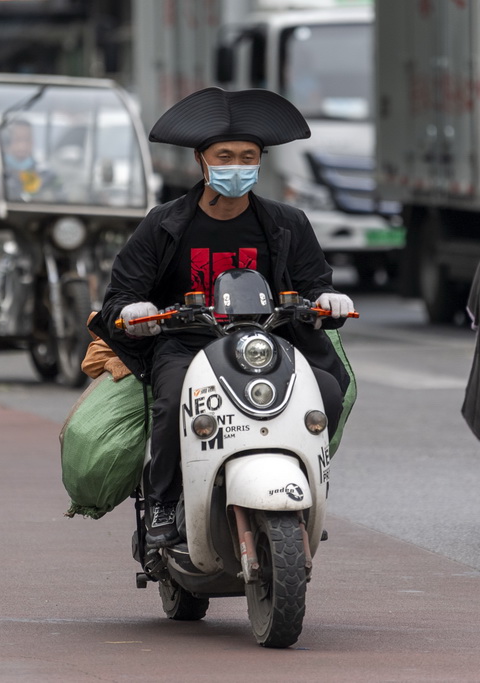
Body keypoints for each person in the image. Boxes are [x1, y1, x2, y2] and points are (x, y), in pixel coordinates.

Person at [87, 87, 356, 548]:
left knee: (327, 391)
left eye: (247, 157)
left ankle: (304, 488)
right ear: (201, 160)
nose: (236, 166)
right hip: (187, 346)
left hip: (270, 344)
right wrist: (135, 310)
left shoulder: (288, 222)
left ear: (260, 162)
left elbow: (316, 284)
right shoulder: (164, 223)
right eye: (225, 156)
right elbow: (122, 295)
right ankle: (162, 501)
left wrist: (328, 300)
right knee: (173, 401)